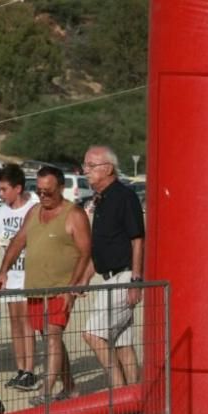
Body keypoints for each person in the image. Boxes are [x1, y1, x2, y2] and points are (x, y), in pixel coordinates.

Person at [0, 166, 91, 404]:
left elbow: (85, 252)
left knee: (52, 335)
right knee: (51, 338)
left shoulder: (74, 215)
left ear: (60, 188)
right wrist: (3, 270)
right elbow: (18, 241)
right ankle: (70, 387)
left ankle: (46, 391)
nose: (43, 196)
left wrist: (73, 287)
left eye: (48, 191)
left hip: (60, 289)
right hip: (35, 289)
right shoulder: (34, 211)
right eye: (39, 191)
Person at [80, 145, 144, 387]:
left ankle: (118, 396)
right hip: (108, 277)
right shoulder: (101, 200)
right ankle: (135, 400)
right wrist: (85, 278)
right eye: (85, 165)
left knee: (93, 334)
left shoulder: (124, 196)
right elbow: (101, 248)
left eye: (91, 165)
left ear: (107, 169)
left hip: (124, 276)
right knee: (122, 343)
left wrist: (136, 281)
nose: (86, 170)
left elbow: (137, 238)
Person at [0, 164, 40, 391]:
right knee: (14, 322)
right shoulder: (1, 212)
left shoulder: (33, 208)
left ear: (18, 188)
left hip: (29, 273)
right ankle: (20, 369)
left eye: (4, 189)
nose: (1, 194)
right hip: (10, 274)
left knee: (26, 323)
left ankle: (30, 370)